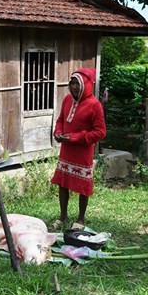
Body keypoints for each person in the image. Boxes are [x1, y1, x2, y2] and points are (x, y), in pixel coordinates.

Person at [50, 68, 106, 230]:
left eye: (78, 84)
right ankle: (62, 216)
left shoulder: (95, 105)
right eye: (72, 83)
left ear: (87, 85)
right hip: (66, 150)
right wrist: (58, 132)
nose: (74, 87)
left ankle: (80, 219)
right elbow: (61, 119)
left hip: (82, 151)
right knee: (63, 183)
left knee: (83, 186)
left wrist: (76, 137)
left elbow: (100, 132)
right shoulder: (67, 99)